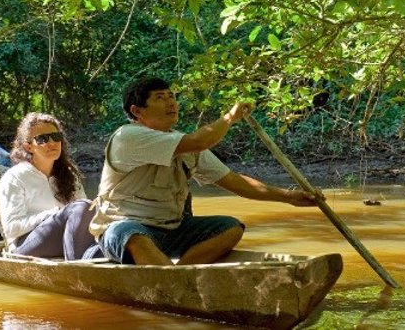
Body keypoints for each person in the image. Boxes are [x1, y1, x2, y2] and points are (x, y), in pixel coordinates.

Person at [89, 77, 320, 265]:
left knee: (230, 228)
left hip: (172, 231)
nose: (171, 103)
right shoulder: (128, 136)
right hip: (123, 229)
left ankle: (180, 275)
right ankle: (173, 281)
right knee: (134, 236)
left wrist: (289, 197)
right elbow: (201, 140)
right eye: (160, 98)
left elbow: (234, 181)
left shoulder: (182, 144)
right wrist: (230, 117)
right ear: (137, 111)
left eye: (172, 97)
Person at [0, 112, 96, 260]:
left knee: (90, 208)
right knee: (80, 208)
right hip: (25, 246)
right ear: (29, 146)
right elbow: (11, 228)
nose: (52, 143)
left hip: (66, 240)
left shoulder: (68, 175)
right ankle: (78, 270)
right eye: (42, 139)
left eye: (56, 137)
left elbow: (84, 212)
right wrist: (52, 215)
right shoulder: (15, 177)